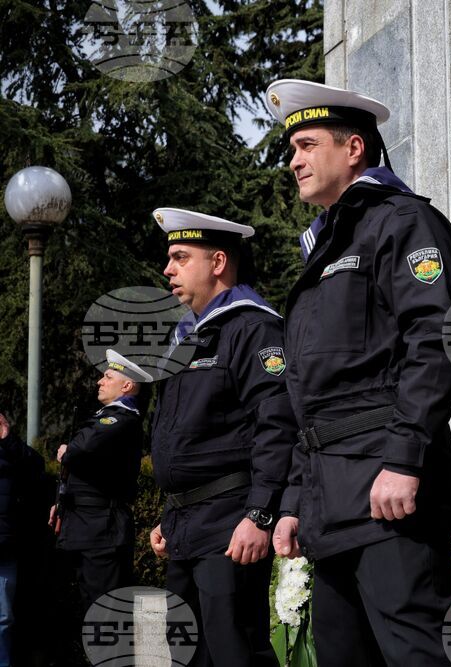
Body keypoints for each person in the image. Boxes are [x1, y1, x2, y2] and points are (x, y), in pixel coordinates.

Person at [263, 79, 451, 666]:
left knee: (415, 655)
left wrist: (405, 459)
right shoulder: (328, 246)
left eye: (306, 145)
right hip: (330, 503)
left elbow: (440, 341)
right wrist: (292, 501)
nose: (294, 161)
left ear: (353, 148)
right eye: (291, 149)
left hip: (388, 498)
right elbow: (313, 398)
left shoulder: (403, 223)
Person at [149, 208, 296, 667]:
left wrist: (260, 515)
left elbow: (277, 425)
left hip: (231, 525)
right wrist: (170, 512)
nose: (168, 269)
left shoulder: (252, 328)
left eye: (179, 257)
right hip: (188, 525)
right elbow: (186, 438)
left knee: (234, 650)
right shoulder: (188, 337)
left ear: (217, 262)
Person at [51, 349, 148, 612]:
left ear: (127, 386)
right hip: (85, 526)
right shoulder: (105, 417)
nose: (99, 382)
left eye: (107, 377)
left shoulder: (121, 418)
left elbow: (80, 449)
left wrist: (67, 452)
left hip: (102, 531)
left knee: (107, 613)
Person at [0, 413, 44, 667]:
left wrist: (8, 439)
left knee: (3, 618)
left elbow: (35, 467)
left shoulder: (11, 450)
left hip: (3, 548)